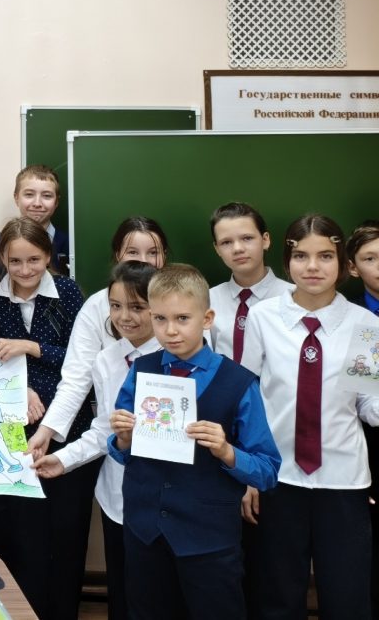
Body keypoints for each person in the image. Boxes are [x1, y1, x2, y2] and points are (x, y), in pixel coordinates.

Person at [110, 263, 280, 620]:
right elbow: (123, 451)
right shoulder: (141, 371)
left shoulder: (239, 383)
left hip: (209, 541)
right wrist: (123, 439)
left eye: (183, 319)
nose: (170, 330)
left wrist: (227, 451)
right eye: (160, 319)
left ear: (207, 319)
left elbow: (267, 470)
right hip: (145, 533)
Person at [240, 215, 379, 619]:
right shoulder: (263, 318)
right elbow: (248, 398)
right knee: (277, 596)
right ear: (287, 261)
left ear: (344, 263)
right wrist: (248, 473)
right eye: (301, 256)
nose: (313, 266)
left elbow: (367, 404)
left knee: (347, 597)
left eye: (325, 256)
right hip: (278, 478)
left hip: (344, 481)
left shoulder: (364, 325)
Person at [32, 260, 159, 620]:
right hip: (117, 496)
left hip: (166, 500)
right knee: (122, 592)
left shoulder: (180, 358)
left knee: (159, 596)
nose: (125, 317)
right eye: (116, 306)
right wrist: (63, 459)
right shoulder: (108, 360)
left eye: (137, 307)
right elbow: (104, 429)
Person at [0, 217, 88, 620]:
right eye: (15, 262)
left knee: (66, 529)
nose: (25, 270)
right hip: (8, 426)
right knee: (16, 531)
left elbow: (82, 359)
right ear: (2, 260)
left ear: (48, 256)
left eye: (34, 260)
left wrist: (29, 347)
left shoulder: (69, 292)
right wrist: (20, 387)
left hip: (67, 427)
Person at [28, 217, 169, 458]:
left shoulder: (181, 305)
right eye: (132, 252)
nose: (143, 261)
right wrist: (46, 430)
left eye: (153, 253)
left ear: (164, 256)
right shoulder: (98, 309)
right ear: (117, 255)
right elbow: (76, 378)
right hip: (113, 445)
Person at [207, 202, 293, 363]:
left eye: (247, 238)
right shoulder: (208, 299)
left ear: (265, 240)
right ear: (217, 249)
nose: (237, 248)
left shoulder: (294, 297)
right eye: (226, 242)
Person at [346, 219, 379, 613]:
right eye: (371, 258)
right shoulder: (354, 319)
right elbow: (360, 399)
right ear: (353, 267)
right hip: (368, 455)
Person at [0, 165, 70, 286]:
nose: (37, 203)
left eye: (47, 196)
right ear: (16, 198)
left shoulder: (71, 246)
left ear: (56, 202)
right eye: (29, 194)